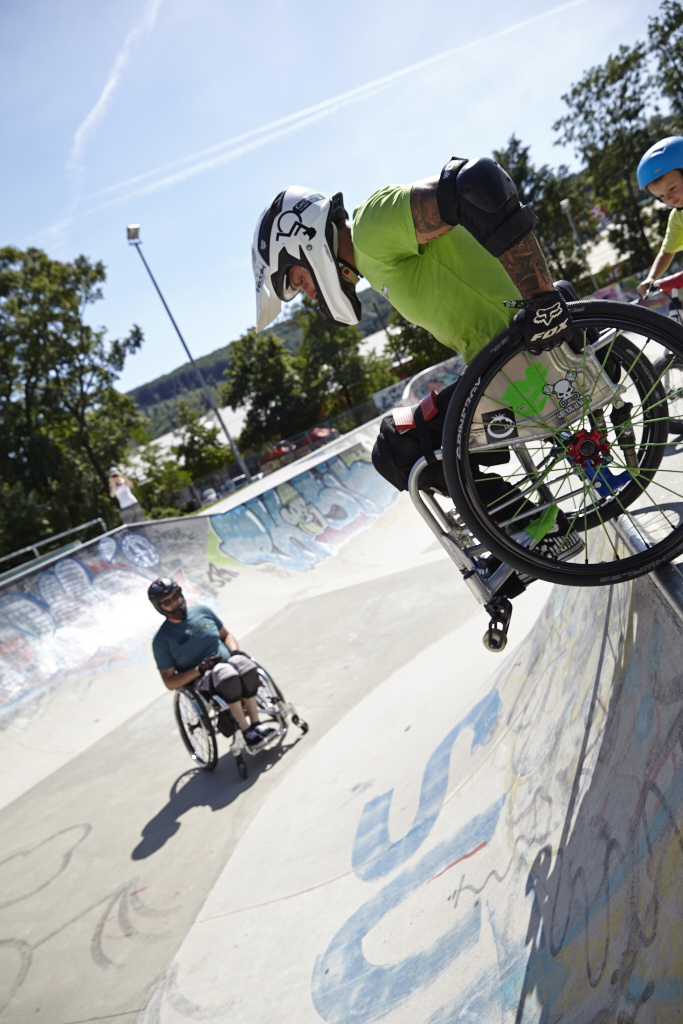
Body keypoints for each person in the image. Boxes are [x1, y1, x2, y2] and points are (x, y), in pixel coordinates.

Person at [251, 158, 577, 530]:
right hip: (516, 374)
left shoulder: (370, 229)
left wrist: (541, 300)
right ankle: (529, 528)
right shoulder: (372, 263)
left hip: (526, 366)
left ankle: (535, 529)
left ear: (304, 242)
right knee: (417, 430)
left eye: (297, 278)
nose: (308, 295)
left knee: (396, 445)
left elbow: (476, 183)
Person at [147, 577, 274, 747]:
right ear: (159, 607)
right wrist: (199, 669)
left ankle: (256, 723)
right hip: (204, 679)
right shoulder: (162, 640)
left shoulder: (202, 611)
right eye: (167, 601)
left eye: (176, 596)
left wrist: (234, 650)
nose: (175, 603)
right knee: (227, 675)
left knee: (246, 665)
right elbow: (169, 682)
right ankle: (246, 731)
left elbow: (226, 635)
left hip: (229, 662)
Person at [636, 136, 683, 297]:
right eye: (661, 196)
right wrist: (651, 278)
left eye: (672, 189)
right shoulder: (678, 217)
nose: (668, 199)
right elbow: (667, 251)